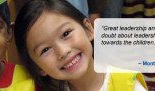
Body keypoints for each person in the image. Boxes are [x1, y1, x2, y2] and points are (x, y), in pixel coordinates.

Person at [14, 0, 147, 90]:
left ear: (88, 29)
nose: (63, 51)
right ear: (38, 67)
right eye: (46, 49)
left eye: (66, 34)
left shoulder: (127, 84)